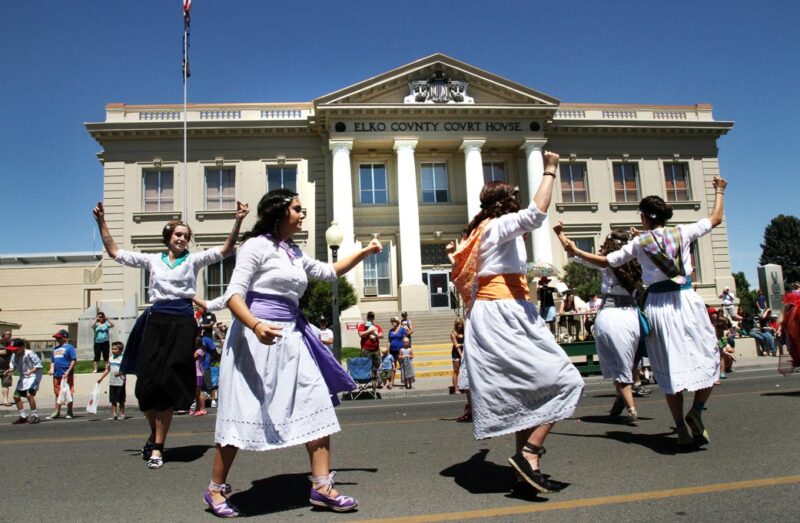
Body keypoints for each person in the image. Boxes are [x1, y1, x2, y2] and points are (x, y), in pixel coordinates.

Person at [202, 188, 382, 517]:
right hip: (256, 341)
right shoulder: (255, 246)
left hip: (292, 338)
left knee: (317, 403)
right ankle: (215, 490)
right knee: (243, 413)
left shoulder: (293, 252)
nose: (303, 214)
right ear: (279, 212)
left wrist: (366, 251)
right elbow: (233, 296)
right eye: (298, 209)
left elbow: (329, 272)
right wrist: (256, 325)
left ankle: (322, 486)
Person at [452, 151, 584, 494]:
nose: (519, 200)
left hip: (499, 312)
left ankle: (528, 472)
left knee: (526, 392)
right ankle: (528, 452)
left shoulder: (481, 230)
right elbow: (536, 214)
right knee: (567, 380)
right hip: (505, 312)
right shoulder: (497, 226)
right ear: (506, 202)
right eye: (514, 196)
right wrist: (551, 170)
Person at [562, 175, 728, 448]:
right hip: (686, 300)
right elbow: (715, 219)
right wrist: (719, 191)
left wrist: (573, 248)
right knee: (710, 358)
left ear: (645, 218)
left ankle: (680, 427)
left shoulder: (640, 243)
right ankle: (696, 412)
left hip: (659, 305)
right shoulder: (682, 232)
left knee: (668, 366)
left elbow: (608, 260)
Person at [93, 199, 249, 469]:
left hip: (182, 321)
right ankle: (155, 433)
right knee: (145, 388)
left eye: (186, 236)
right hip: (155, 320)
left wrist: (238, 220)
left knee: (166, 385)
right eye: (178, 234)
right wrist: (101, 222)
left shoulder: (194, 260)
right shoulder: (153, 260)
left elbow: (225, 249)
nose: (183, 239)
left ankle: (158, 447)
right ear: (168, 237)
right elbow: (115, 252)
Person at [555, 225, 643, 425]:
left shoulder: (606, 263)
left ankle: (630, 408)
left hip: (611, 316)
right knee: (625, 360)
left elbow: (574, 253)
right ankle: (620, 401)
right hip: (631, 315)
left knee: (617, 361)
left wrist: (559, 233)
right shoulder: (637, 263)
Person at [5, 338, 42, 424]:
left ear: (22, 347)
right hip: (23, 377)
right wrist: (8, 371)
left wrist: (30, 371)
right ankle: (22, 417)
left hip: (33, 376)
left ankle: (35, 416)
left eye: (16, 350)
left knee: (29, 395)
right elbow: (13, 367)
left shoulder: (29, 353)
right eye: (13, 350)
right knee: (16, 397)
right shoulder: (14, 355)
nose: (14, 352)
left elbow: (39, 365)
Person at [46, 329, 76, 420]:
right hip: (57, 374)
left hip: (66, 374)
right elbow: (53, 361)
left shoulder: (69, 347)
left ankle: (69, 411)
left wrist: (68, 371)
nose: (57, 340)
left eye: (59, 338)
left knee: (68, 393)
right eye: (56, 338)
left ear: (65, 338)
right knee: (57, 393)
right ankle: (57, 411)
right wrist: (51, 369)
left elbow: (73, 360)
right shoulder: (55, 349)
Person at [97, 341, 126, 420]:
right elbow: (107, 369)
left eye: (115, 349)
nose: (113, 351)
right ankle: (114, 414)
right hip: (112, 382)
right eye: (112, 349)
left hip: (120, 382)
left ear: (120, 350)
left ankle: (122, 413)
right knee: (113, 400)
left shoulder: (123, 358)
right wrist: (101, 377)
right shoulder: (111, 358)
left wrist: (120, 373)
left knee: (121, 399)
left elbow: (125, 369)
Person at [387, 316, 409, 386]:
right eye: (392, 321)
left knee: (403, 366)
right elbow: (389, 341)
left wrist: (406, 349)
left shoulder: (402, 330)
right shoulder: (390, 331)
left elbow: (406, 339)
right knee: (392, 368)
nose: (393, 322)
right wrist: (388, 351)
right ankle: (392, 382)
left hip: (400, 351)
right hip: (392, 351)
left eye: (395, 321)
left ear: (397, 322)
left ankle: (406, 381)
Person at [191, 338, 207, 416]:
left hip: (198, 373)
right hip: (195, 373)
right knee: (196, 392)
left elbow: (194, 356)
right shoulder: (197, 350)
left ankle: (203, 409)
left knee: (199, 391)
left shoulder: (199, 350)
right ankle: (197, 408)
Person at [450, 318, 465, 394]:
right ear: (455, 325)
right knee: (456, 371)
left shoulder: (464, 332)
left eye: (461, 324)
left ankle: (465, 386)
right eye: (458, 324)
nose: (460, 326)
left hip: (464, 353)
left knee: (464, 371)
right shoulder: (453, 333)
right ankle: (456, 388)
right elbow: (456, 346)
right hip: (456, 353)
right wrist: (461, 355)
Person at [0, 330, 12, 406]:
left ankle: (5, 400)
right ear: (3, 336)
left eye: (9, 335)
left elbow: (6, 352)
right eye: (7, 335)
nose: (8, 337)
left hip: (6, 368)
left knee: (6, 384)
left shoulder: (9, 344)